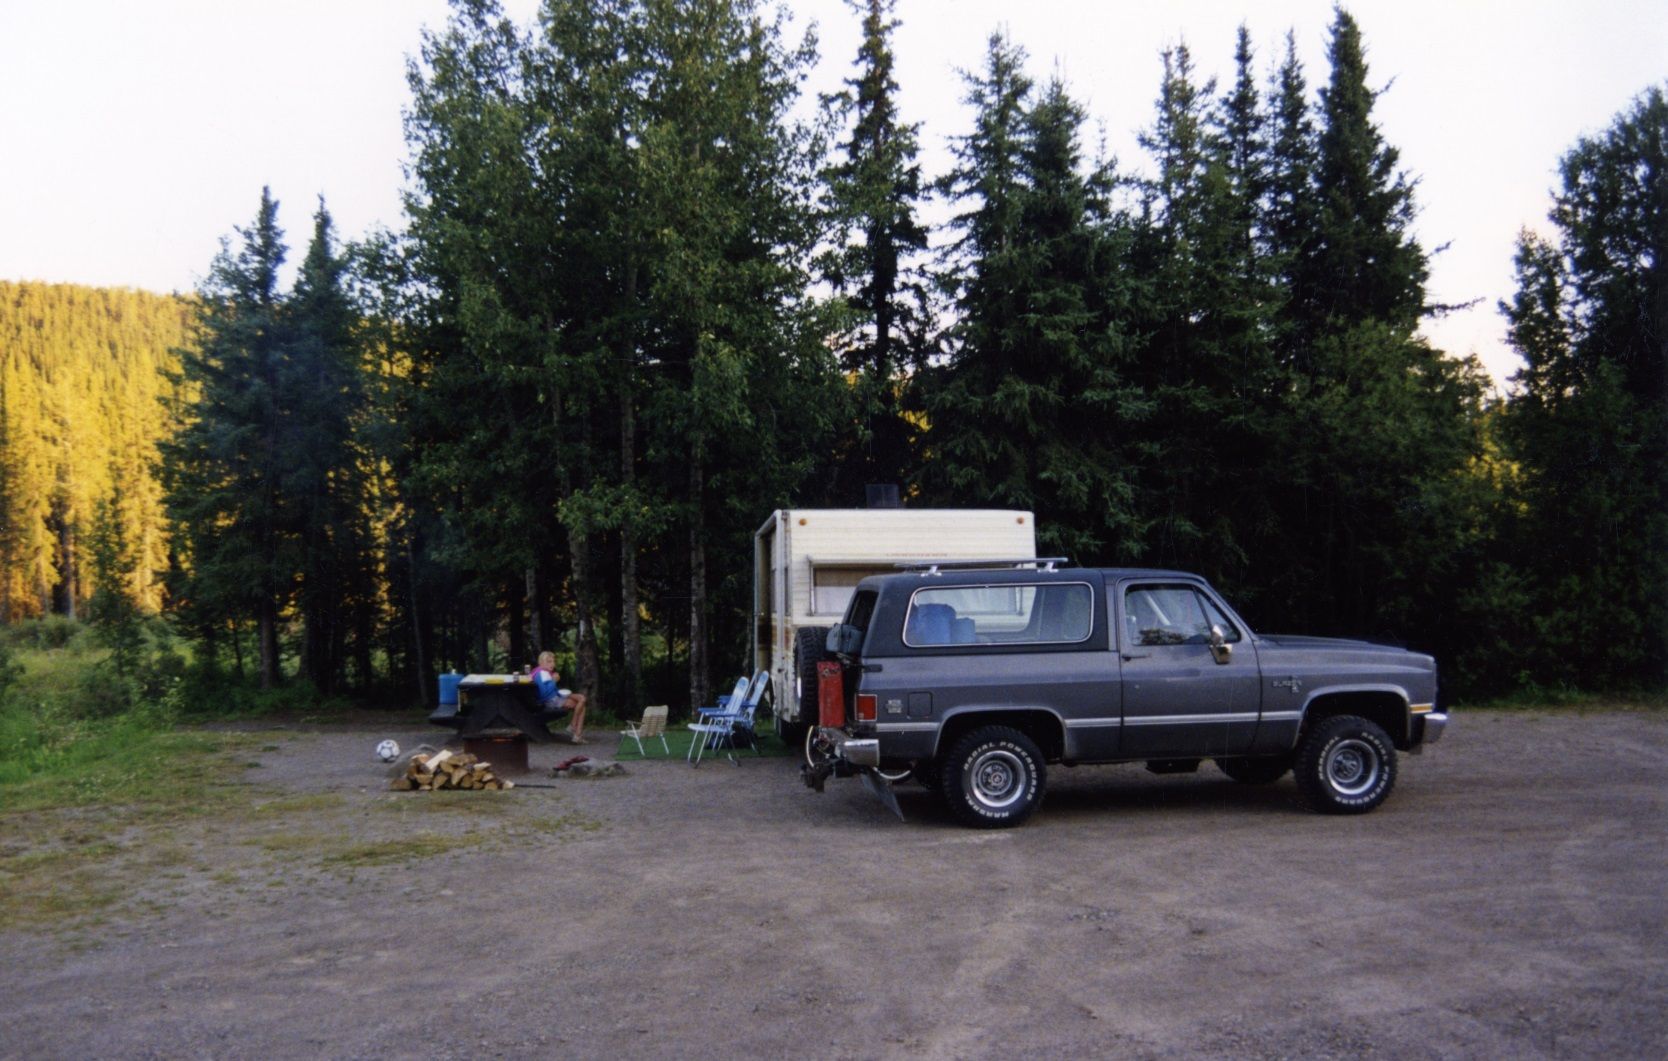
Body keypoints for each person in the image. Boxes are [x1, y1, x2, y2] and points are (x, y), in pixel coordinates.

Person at [531, 651, 587, 743]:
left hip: (556, 696)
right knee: (582, 704)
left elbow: (552, 690)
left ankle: (573, 727)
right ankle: (577, 734)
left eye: (553, 661)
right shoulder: (541, 674)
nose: (552, 664)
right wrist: (554, 681)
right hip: (551, 701)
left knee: (581, 698)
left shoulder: (544, 672)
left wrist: (561, 692)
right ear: (541, 662)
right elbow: (544, 694)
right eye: (549, 661)